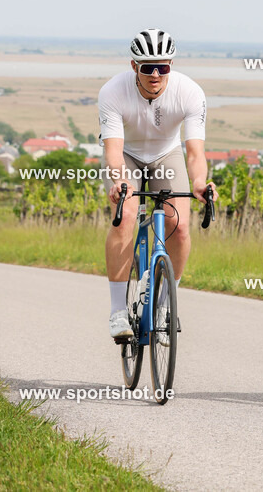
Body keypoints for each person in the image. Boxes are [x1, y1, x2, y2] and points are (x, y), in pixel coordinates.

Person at [98, 29, 217, 338]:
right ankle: (118, 312)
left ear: (170, 65)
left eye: (162, 67)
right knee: (125, 216)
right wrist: (119, 181)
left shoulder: (190, 92)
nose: (155, 74)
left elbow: (195, 152)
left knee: (180, 225)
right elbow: (113, 152)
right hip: (127, 155)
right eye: (148, 67)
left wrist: (200, 182)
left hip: (167, 154)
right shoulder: (113, 91)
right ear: (134, 66)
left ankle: (164, 305)